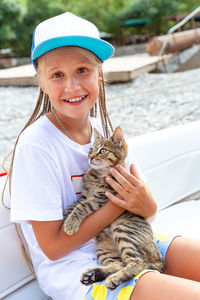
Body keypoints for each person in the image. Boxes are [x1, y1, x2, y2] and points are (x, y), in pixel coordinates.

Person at [9, 11, 200, 300]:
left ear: (100, 74)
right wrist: (115, 205)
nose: (72, 86)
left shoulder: (105, 133)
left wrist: (142, 202)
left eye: (83, 70)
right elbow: (54, 248)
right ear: (42, 82)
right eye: (57, 75)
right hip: (78, 267)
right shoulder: (35, 146)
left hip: (132, 237)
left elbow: (148, 210)